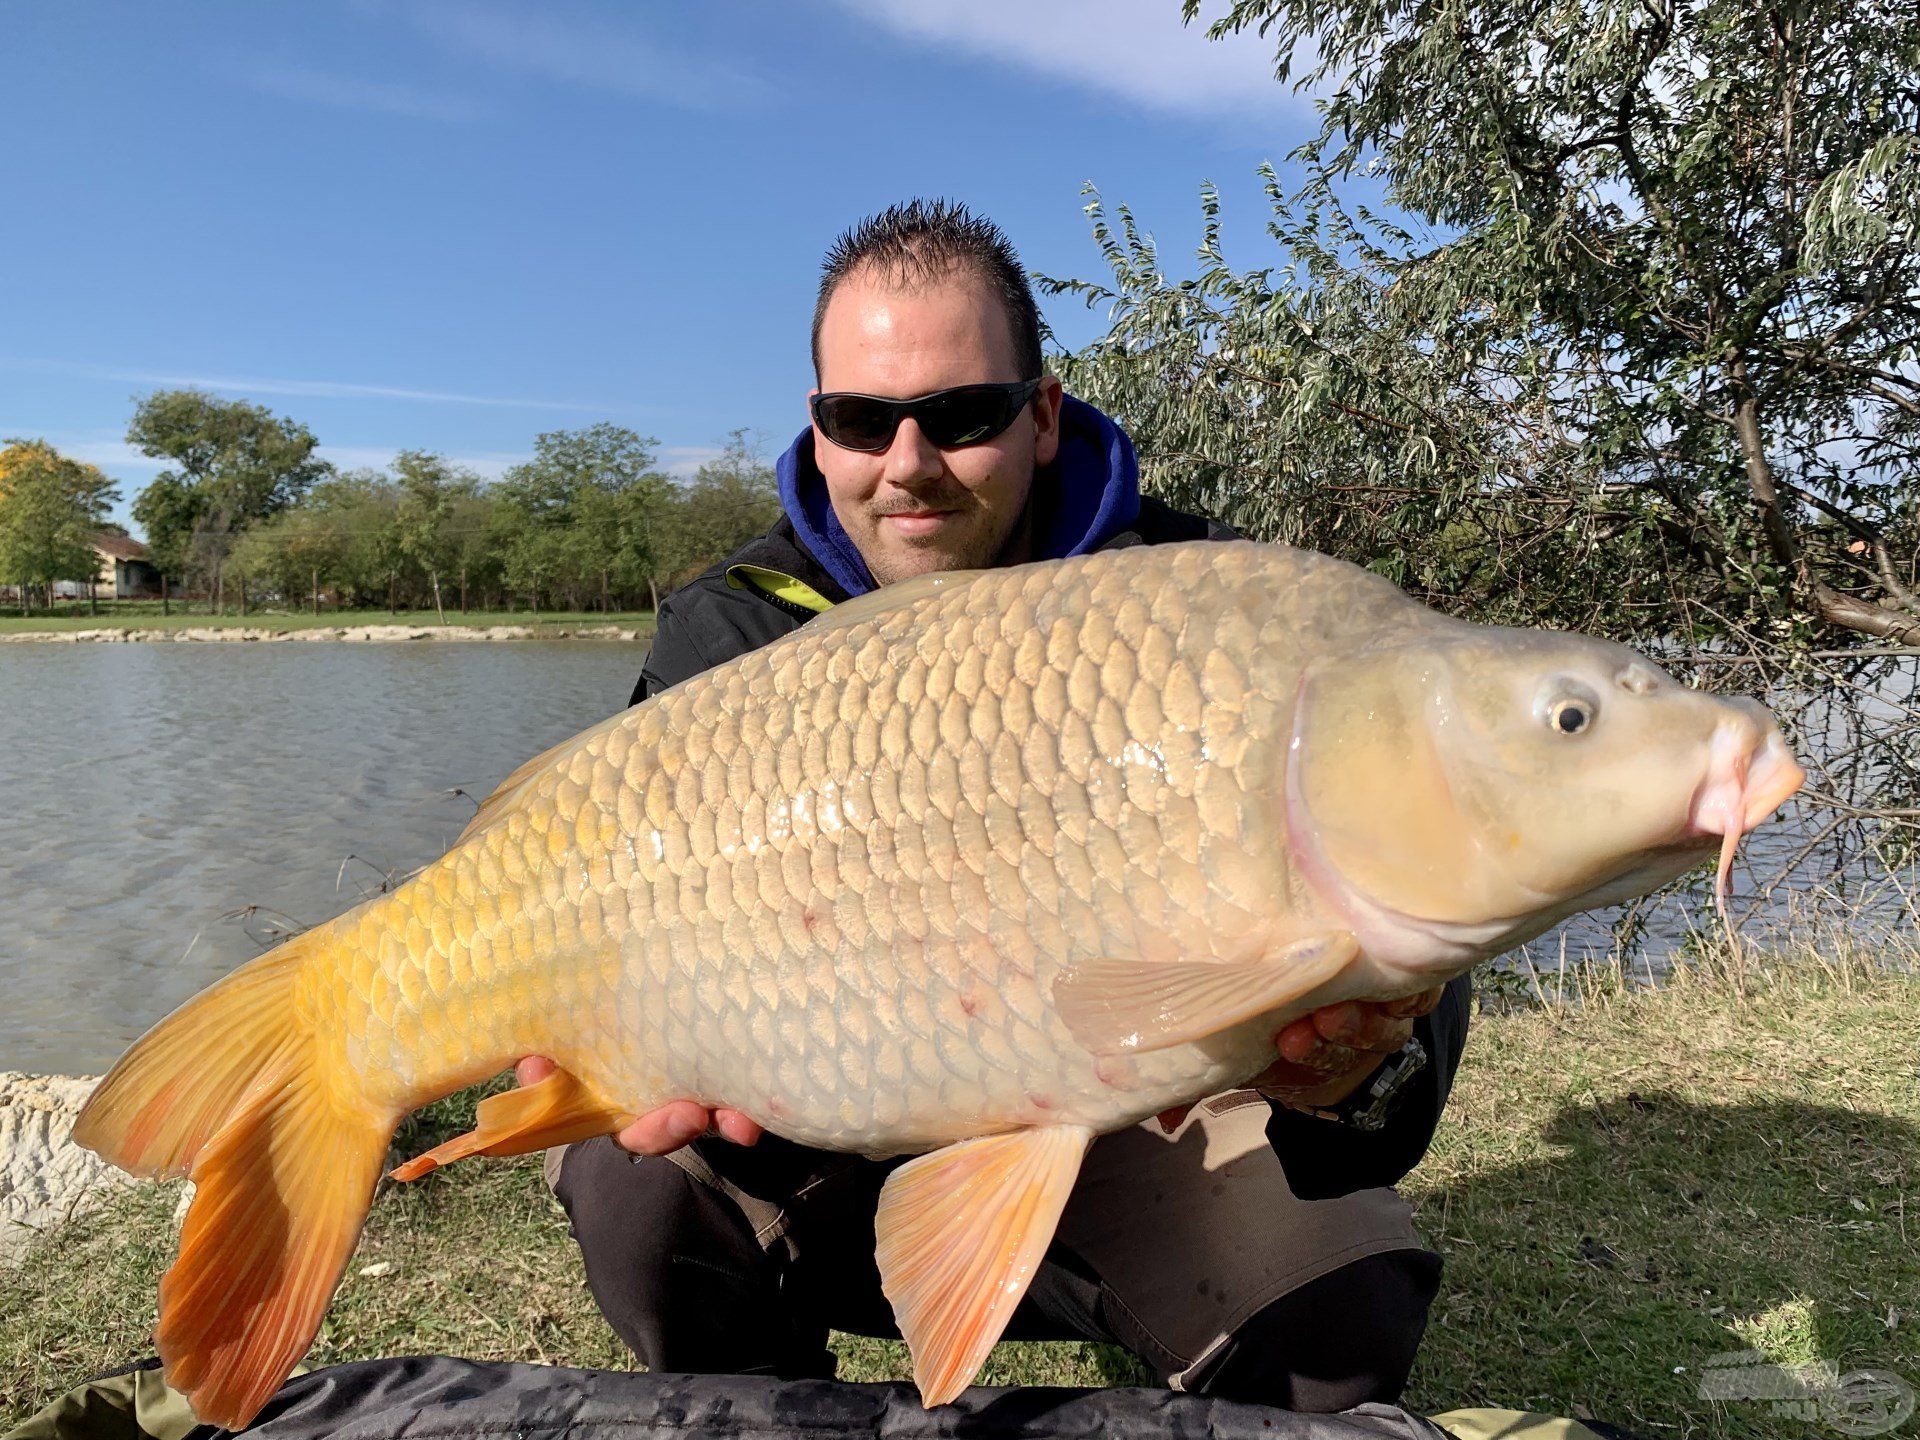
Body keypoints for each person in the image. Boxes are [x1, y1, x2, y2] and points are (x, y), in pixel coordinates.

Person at [521, 199, 1471, 1413]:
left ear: (1041, 413)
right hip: (823, 1128)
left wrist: (1361, 1069)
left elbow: (1407, 926)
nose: (906, 462)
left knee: (1338, 1317)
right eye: (860, 419)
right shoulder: (727, 633)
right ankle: (763, 1403)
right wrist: (657, 1042)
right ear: (817, 432)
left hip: (1141, 1116)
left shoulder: (1209, 611)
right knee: (633, 1181)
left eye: (961, 416)